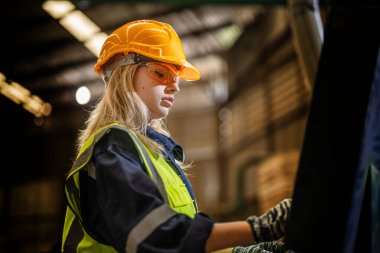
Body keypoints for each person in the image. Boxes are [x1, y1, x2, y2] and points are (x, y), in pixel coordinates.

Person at [61, 19, 293, 253]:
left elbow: (180, 244)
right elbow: (159, 238)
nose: (175, 87)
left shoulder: (153, 152)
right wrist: (258, 228)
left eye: (176, 77)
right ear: (124, 72)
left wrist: (238, 252)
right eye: (161, 73)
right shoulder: (112, 148)